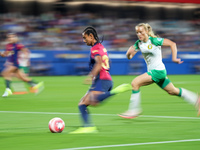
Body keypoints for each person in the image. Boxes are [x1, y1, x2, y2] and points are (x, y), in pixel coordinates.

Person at [118, 23, 200, 119]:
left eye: (141, 32)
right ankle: (196, 99)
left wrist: (174, 58)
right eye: (137, 32)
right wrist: (128, 53)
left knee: (135, 83)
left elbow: (172, 44)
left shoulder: (154, 40)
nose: (139, 34)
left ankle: (134, 110)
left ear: (147, 32)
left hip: (158, 71)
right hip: (155, 72)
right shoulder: (138, 43)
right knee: (173, 91)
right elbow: (130, 57)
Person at [70, 27, 131, 134]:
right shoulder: (102, 47)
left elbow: (98, 63)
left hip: (101, 80)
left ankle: (116, 91)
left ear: (91, 36)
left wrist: (91, 75)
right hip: (105, 79)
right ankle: (88, 127)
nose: (84, 41)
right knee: (82, 103)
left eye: (85, 38)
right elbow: (107, 62)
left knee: (93, 101)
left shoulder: (94, 49)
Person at [0, 33, 44, 97]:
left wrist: (25, 57)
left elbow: (26, 51)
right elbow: (5, 54)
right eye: (9, 37)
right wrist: (1, 54)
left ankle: (8, 90)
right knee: (22, 78)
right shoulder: (8, 46)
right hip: (11, 64)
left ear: (15, 38)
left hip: (15, 64)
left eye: (12, 37)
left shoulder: (18, 45)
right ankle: (35, 84)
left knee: (5, 73)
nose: (10, 38)